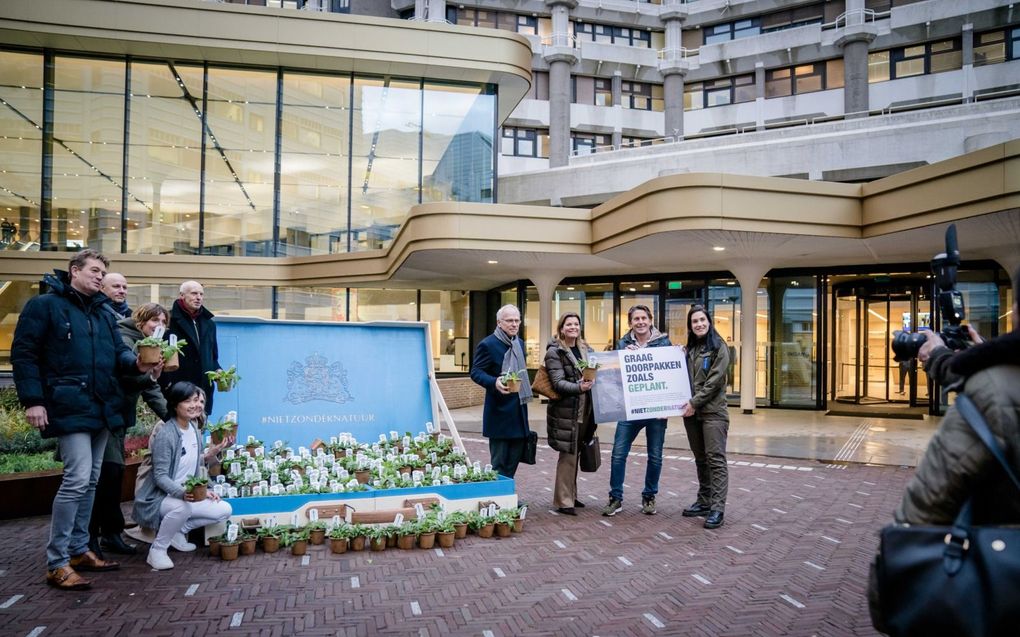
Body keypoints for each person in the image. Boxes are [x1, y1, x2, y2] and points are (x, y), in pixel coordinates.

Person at [11, 249, 161, 590]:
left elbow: (119, 353)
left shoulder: (104, 313)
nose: (99, 276)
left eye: (102, 271)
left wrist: (136, 363)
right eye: (93, 270)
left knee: (91, 480)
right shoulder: (45, 306)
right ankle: (57, 561)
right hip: (68, 406)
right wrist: (33, 400)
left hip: (102, 407)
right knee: (77, 479)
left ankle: (80, 549)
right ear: (73, 271)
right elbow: (24, 354)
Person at [90, 303, 171, 556]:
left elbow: (150, 387)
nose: (159, 326)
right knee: (105, 475)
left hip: (117, 417)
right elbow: (127, 377)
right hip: (105, 415)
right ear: (140, 321)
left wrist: (172, 417)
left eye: (163, 322)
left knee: (111, 474)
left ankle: (108, 534)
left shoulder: (147, 343)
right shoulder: (128, 340)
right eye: (154, 320)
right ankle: (94, 538)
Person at [133, 382, 232, 570]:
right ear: (175, 404)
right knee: (182, 508)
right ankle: (157, 550)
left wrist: (204, 490)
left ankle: (179, 531)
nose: (196, 405)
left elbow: (190, 463)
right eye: (188, 401)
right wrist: (181, 492)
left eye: (198, 401)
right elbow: (160, 475)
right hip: (161, 498)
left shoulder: (193, 428)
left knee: (223, 509)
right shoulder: (167, 433)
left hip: (187, 495)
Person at [603, 304, 672, 516]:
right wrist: (623, 357)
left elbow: (670, 375)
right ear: (630, 323)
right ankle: (616, 498)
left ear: (650, 320)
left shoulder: (664, 343)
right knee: (618, 453)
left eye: (644, 318)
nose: (640, 322)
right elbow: (613, 376)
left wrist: (669, 404)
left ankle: (649, 496)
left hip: (655, 410)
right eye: (636, 319)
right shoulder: (623, 343)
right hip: (629, 409)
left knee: (655, 456)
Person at [680, 305, 732, 529]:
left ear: (709, 322)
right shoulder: (690, 350)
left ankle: (717, 508)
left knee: (715, 460)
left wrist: (693, 402)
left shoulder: (719, 346)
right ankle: (704, 501)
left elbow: (714, 382)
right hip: (692, 414)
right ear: (690, 326)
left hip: (713, 413)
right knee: (700, 459)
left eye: (702, 320)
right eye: (694, 322)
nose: (699, 324)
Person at [470, 304, 533, 478]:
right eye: (509, 321)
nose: (514, 324)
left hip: (519, 411)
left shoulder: (519, 343)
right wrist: (494, 382)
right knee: (499, 463)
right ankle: (498, 499)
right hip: (499, 413)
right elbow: (475, 372)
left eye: (517, 320)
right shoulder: (488, 344)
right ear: (499, 322)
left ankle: (508, 496)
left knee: (514, 460)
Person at [545, 312, 596, 516]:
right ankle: (563, 501)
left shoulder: (586, 349)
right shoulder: (555, 352)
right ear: (561, 328)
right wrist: (579, 387)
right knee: (567, 455)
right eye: (569, 324)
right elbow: (557, 382)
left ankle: (571, 495)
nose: (573, 327)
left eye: (576, 324)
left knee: (576, 452)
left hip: (585, 409)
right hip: (567, 411)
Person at [161, 280, 221, 415]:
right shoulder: (168, 320)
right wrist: (168, 385)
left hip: (203, 392)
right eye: (194, 293)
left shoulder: (209, 324)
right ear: (181, 295)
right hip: (178, 391)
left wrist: (218, 371)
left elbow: (212, 357)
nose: (198, 297)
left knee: (198, 432)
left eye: (201, 294)